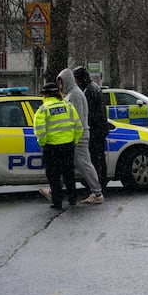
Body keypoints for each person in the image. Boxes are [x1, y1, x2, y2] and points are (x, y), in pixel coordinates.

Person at [58, 68, 104, 204]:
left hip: (78, 135)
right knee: (69, 164)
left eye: (61, 82)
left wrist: (73, 136)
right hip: (77, 134)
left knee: (84, 164)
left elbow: (76, 118)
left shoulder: (76, 95)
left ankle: (97, 193)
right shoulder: (73, 93)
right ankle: (56, 190)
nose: (60, 86)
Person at [34, 82, 83, 210]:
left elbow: (40, 130)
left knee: (54, 175)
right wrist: (74, 141)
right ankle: (72, 199)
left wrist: (43, 143)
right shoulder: (68, 106)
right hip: (68, 146)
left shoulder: (43, 110)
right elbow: (78, 126)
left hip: (51, 148)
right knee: (68, 173)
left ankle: (58, 202)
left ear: (46, 95)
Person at [74, 66, 109, 185]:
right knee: (99, 157)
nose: (76, 83)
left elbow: (87, 113)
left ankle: (96, 183)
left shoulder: (89, 91)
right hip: (100, 128)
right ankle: (101, 181)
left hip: (95, 130)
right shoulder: (95, 87)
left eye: (76, 80)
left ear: (80, 79)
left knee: (94, 158)